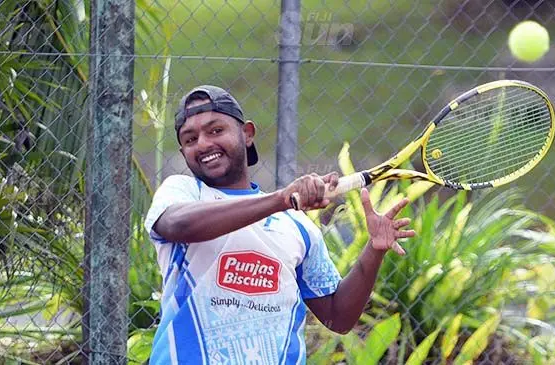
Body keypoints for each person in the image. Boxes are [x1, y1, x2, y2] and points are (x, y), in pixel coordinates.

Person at [144, 85, 415, 364]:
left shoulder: (296, 225)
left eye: (215, 131)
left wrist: (375, 249)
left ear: (247, 134)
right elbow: (178, 226)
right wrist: (281, 199)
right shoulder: (182, 192)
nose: (202, 144)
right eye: (190, 139)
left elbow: (338, 317)